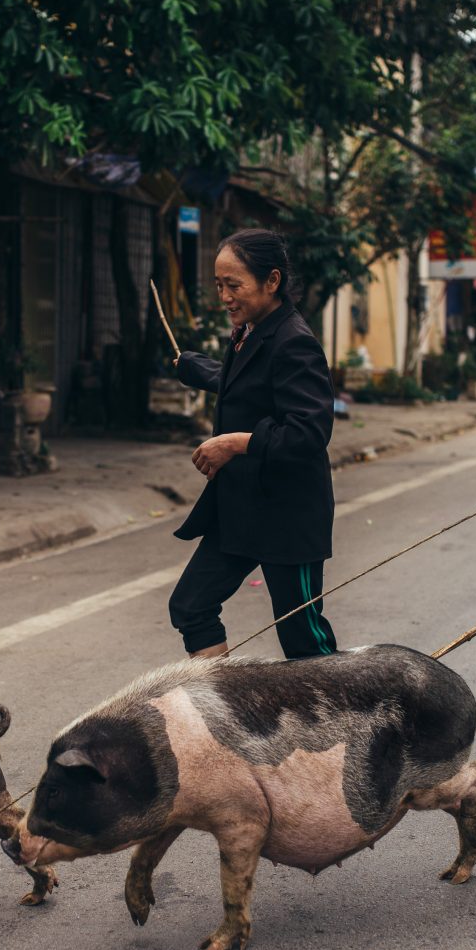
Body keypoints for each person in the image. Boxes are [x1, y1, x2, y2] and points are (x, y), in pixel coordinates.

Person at [168, 228, 338, 660]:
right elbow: (247, 383)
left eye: (234, 285)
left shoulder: (294, 340)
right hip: (240, 510)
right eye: (219, 285)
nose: (224, 295)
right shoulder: (251, 330)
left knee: (302, 636)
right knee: (191, 606)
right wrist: (196, 368)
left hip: (286, 515)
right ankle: (224, 711)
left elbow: (309, 432)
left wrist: (235, 443)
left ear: (272, 281)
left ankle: (347, 718)